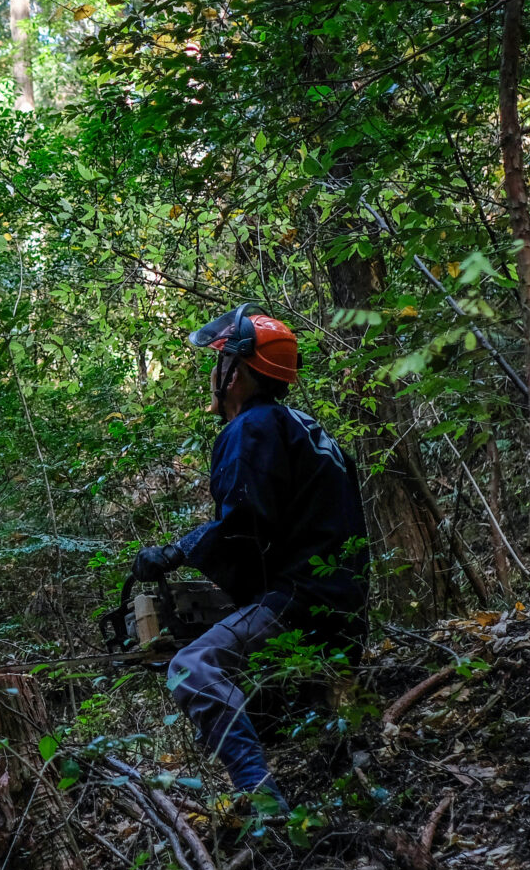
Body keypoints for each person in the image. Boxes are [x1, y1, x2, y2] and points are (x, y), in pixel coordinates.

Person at [130, 304, 368, 809]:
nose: (213, 375)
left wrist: (174, 552)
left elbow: (244, 524)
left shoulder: (252, 428)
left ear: (236, 372)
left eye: (219, 364)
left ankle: (262, 802)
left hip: (300, 600)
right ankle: (333, 774)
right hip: (341, 608)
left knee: (191, 667)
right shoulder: (306, 429)